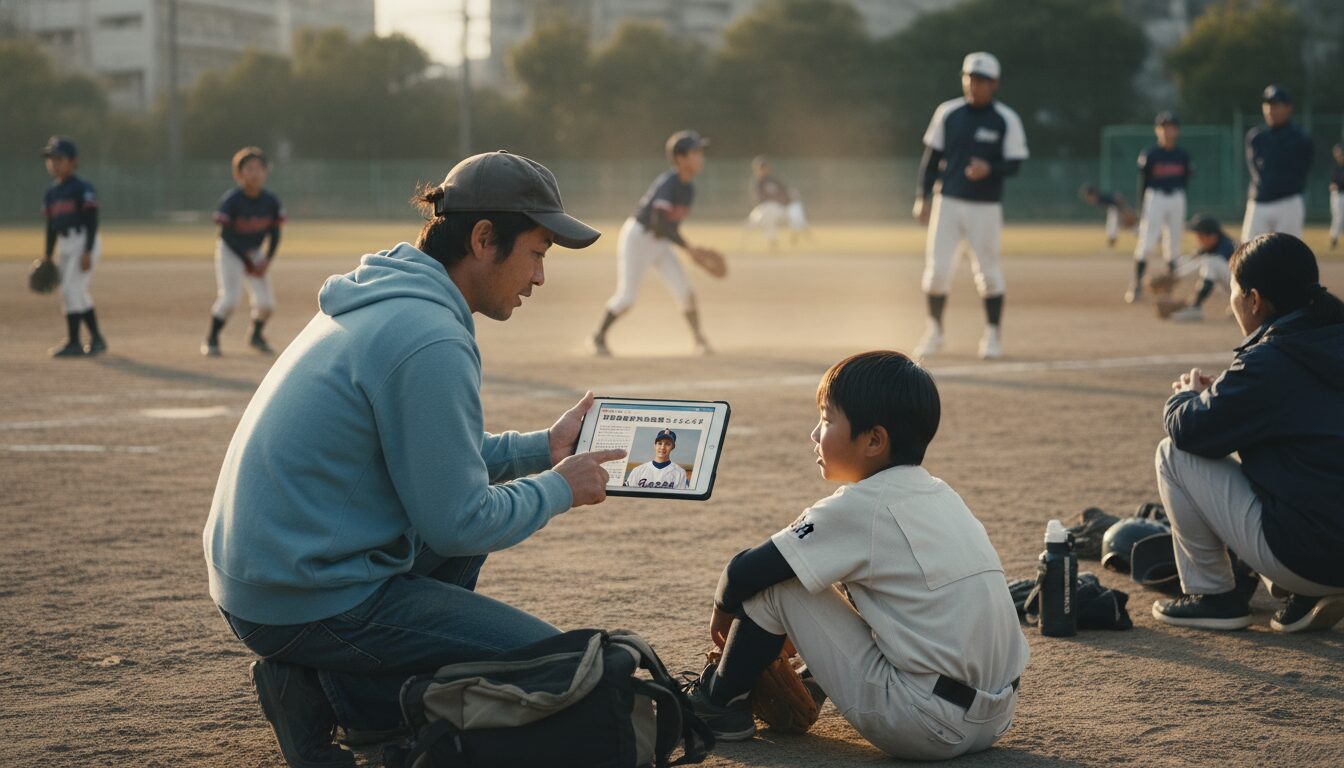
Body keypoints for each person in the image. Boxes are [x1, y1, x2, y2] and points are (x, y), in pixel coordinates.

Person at [203, 151, 626, 767]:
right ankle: (330, 693)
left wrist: (543, 448)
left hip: (267, 576)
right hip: (301, 596)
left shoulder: (391, 298)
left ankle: (317, 685)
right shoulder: (430, 337)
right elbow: (458, 520)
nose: (538, 276)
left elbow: (437, 463)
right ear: (484, 239)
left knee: (464, 521)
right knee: (553, 665)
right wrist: (560, 488)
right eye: (536, 253)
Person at [684, 351, 1027, 758]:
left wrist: (723, 614)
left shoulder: (862, 505)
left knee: (776, 585)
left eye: (827, 420)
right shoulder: (942, 494)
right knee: (862, 586)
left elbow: (744, 572)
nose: (815, 433)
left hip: (925, 725)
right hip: (998, 716)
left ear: (874, 440)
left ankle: (718, 703)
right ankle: (814, 680)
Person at [1152, 233, 1344, 633]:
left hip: (1311, 558)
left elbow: (1190, 431)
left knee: (1174, 453)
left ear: (1255, 300)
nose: (1232, 303)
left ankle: (1215, 596)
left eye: (1236, 293)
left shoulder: (1270, 359)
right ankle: (1307, 595)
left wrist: (1185, 398)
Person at [913, 52, 1029, 360]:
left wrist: (990, 168)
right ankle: (934, 331)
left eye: (980, 81)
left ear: (994, 84)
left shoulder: (1006, 119)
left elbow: (1015, 163)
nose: (973, 85)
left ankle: (992, 335)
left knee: (988, 273)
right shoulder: (948, 113)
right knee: (937, 272)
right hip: (947, 202)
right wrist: (922, 197)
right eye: (969, 78)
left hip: (985, 207)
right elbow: (931, 160)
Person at [589, 130, 719, 356]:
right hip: (638, 238)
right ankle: (598, 337)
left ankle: (699, 339)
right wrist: (689, 248)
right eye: (695, 152)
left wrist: (690, 250)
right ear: (680, 158)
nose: (701, 157)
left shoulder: (689, 189)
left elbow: (671, 226)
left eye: (700, 152)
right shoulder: (668, 184)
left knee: (685, 291)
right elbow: (659, 223)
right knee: (627, 298)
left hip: (660, 244)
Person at [203, 147, 286, 356]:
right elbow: (226, 234)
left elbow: (275, 234)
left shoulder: (271, 201)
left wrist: (267, 259)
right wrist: (247, 260)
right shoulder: (232, 201)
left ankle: (255, 335)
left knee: (267, 305)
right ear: (238, 174)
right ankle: (212, 337)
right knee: (230, 300)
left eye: (259, 168)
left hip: (255, 252)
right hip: (230, 250)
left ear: (266, 172)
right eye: (249, 168)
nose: (255, 172)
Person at [40, 135, 106, 358]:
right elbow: (51, 227)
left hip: (83, 241)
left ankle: (74, 342)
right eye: (51, 159)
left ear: (72, 161)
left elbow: (91, 221)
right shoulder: (52, 192)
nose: (54, 163)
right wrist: (48, 256)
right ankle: (97, 339)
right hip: (65, 243)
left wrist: (87, 250)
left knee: (70, 291)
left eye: (59, 158)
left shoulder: (82, 188)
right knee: (78, 293)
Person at [1127, 111, 1192, 304]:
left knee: (1173, 244)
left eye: (1170, 127)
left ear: (1177, 131)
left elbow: (1185, 179)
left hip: (1177, 197)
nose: (1167, 131)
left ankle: (1169, 287)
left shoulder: (1182, 155)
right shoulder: (1150, 154)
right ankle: (1136, 285)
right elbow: (1143, 182)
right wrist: (1141, 209)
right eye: (1163, 127)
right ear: (1157, 131)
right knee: (1147, 241)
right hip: (1155, 197)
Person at [1241, 85, 1313, 242]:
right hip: (1259, 201)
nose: (1271, 110)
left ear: (1288, 108)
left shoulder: (1300, 137)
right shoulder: (1256, 136)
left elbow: (1303, 169)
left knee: (1288, 254)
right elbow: (1255, 170)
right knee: (1247, 255)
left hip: (1288, 201)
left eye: (1276, 105)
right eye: (1267, 105)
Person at [1158, 215, 1236, 323]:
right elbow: (1195, 261)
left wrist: (1175, 277)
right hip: (1237, 289)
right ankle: (1194, 304)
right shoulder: (1214, 246)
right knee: (1207, 262)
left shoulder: (1227, 246)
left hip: (1248, 292)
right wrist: (1174, 273)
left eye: (1200, 235)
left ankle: (1195, 307)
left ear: (1211, 236)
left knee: (1211, 262)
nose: (1197, 239)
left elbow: (1205, 263)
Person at [747, 156, 805, 248]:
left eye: (763, 167)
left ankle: (794, 233)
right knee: (767, 213)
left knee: (793, 209)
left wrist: (784, 200)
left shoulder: (775, 180)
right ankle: (772, 241)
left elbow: (786, 194)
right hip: (762, 210)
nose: (762, 170)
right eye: (760, 168)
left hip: (778, 209)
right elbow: (758, 200)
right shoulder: (757, 183)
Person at [623, 428, 691, 489]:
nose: (662, 447)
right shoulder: (638, 471)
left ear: (673, 447)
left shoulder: (680, 473)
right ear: (655, 445)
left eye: (668, 444)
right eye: (660, 443)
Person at [1329, 143, 1343, 249]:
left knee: (1339, 218)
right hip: (1337, 195)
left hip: (1341, 194)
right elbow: (1333, 183)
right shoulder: (1337, 168)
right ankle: (1334, 239)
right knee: (1337, 217)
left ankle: (1334, 238)